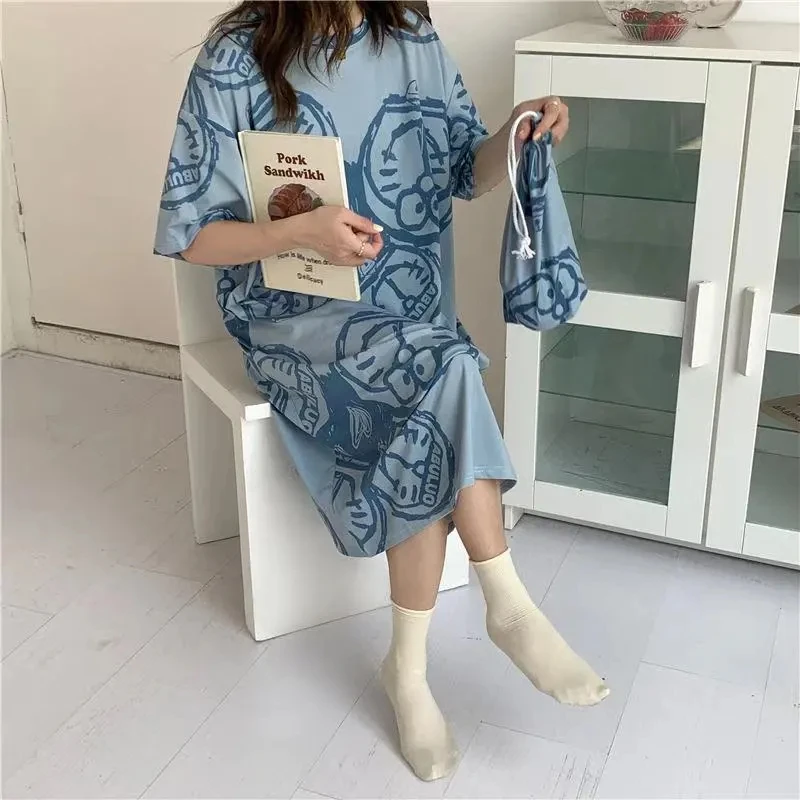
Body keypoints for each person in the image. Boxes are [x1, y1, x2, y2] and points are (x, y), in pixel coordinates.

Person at [155, 0, 608, 782]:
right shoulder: (236, 55)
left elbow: (465, 169)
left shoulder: (410, 35)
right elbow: (190, 234)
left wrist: (517, 133)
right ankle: (505, 607)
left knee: (436, 375)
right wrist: (299, 230)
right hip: (293, 319)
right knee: (445, 372)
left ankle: (411, 670)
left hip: (409, 313)